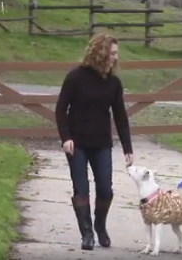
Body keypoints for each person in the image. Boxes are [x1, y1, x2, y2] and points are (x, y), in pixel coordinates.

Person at [55, 33, 134, 251]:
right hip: (77, 143)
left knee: (105, 189)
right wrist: (66, 138)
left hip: (101, 143)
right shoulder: (75, 77)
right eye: (113, 53)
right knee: (81, 188)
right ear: (101, 53)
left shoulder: (114, 83)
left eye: (117, 54)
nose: (116, 58)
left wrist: (128, 148)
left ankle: (100, 226)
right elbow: (61, 109)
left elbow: (120, 116)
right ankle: (87, 233)